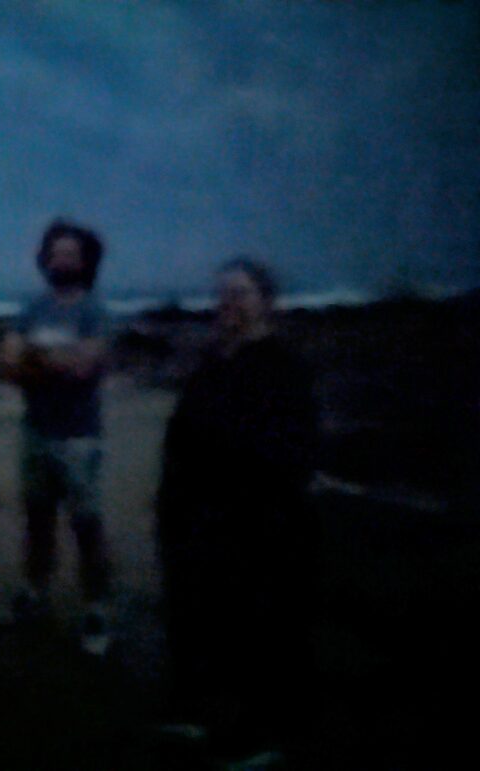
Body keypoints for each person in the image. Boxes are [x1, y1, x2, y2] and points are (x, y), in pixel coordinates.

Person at [155, 257, 319, 763]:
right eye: (223, 293)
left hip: (255, 524)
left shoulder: (282, 367)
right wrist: (170, 505)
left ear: (266, 301)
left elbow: (289, 452)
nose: (229, 303)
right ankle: (199, 714)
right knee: (200, 622)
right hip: (195, 519)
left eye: (242, 293)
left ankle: (262, 736)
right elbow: (182, 436)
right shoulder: (211, 362)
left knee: (257, 631)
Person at [0, 218, 114, 656]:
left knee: (87, 528)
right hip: (35, 434)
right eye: (56, 252)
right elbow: (5, 365)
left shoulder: (94, 310)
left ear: (85, 261)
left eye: (71, 252)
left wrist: (32, 358)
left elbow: (86, 367)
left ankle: (97, 609)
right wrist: (54, 361)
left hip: (80, 439)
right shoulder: (32, 308)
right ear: (45, 259)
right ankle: (33, 594)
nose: (62, 259)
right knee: (38, 523)